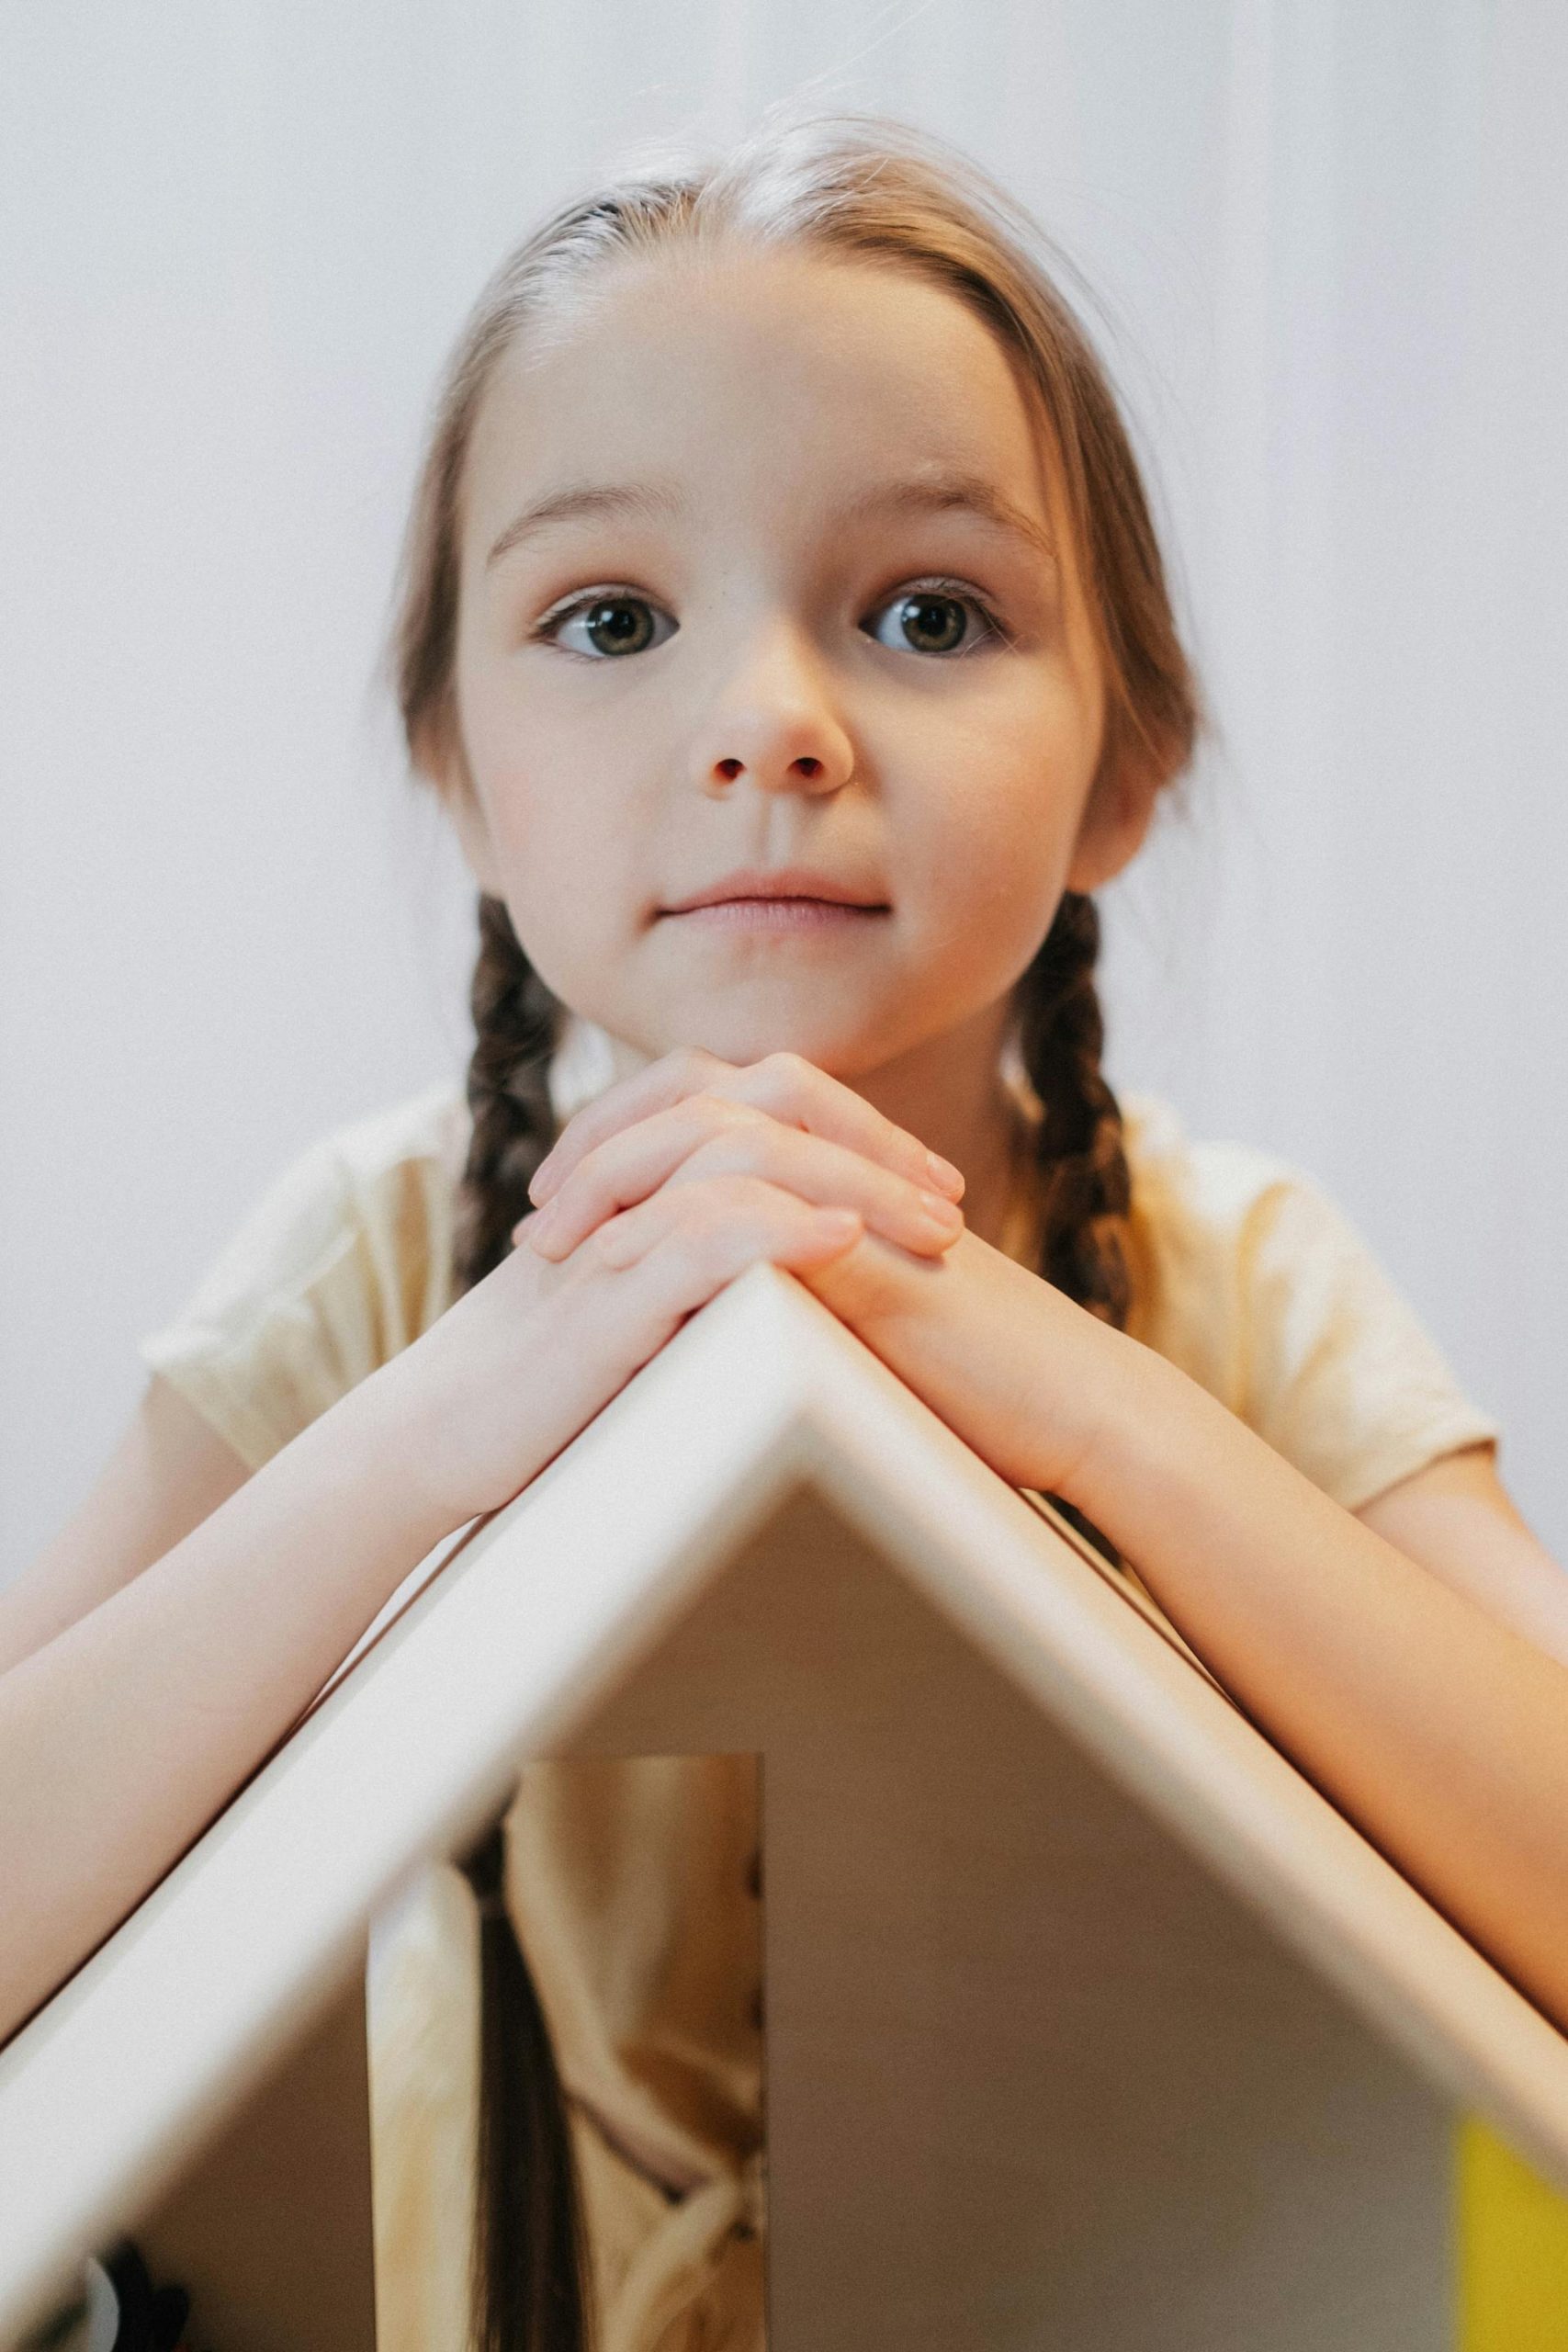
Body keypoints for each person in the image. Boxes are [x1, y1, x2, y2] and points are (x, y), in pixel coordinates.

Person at [4, 107, 1568, 2352]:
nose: (767, 724)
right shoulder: (370, 1256)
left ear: (1123, 767)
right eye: (611, 615)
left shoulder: (1234, 1278)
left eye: (926, 612)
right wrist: (442, 1422)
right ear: (457, 762)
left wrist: (1096, 1415)